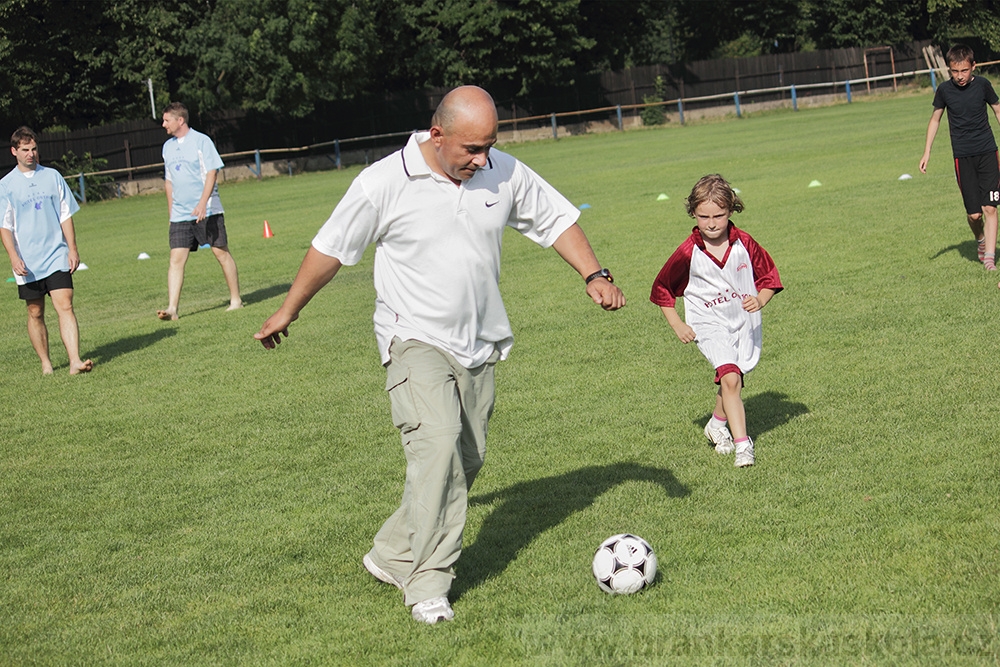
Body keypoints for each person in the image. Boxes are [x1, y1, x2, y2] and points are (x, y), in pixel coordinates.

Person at [254, 85, 625, 624]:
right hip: (411, 339)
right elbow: (331, 248)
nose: (483, 159)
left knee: (466, 459)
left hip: (479, 342)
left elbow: (555, 220)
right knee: (439, 445)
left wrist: (594, 273)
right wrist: (288, 310)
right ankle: (429, 584)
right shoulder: (384, 181)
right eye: (471, 149)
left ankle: (390, 554)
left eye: (489, 146)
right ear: (436, 135)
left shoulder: (502, 171)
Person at [650, 174, 782, 468]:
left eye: (718, 216)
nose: (711, 223)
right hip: (707, 322)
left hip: (744, 321)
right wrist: (677, 324)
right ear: (693, 213)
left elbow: (769, 278)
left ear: (731, 210)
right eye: (703, 216)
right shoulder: (688, 252)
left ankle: (716, 424)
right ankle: (743, 446)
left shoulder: (744, 243)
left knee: (733, 379)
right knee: (730, 377)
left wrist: (760, 300)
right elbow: (662, 289)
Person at [0, 126, 93, 375]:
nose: (30, 154)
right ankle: (46, 363)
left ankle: (75, 361)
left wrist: (72, 249)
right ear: (14, 151)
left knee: (65, 305)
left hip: (56, 255)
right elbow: (5, 226)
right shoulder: (6, 186)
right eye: (25, 150)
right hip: (27, 261)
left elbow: (65, 215)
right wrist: (13, 257)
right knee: (35, 311)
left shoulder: (53, 176)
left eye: (33, 149)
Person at [918, 44, 1000, 273]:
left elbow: (997, 110)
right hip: (962, 157)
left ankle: (990, 258)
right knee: (974, 215)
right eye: (955, 71)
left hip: (987, 152)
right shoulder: (944, 90)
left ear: (973, 66)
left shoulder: (983, 85)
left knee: (990, 208)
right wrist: (927, 151)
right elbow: (935, 120)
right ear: (949, 69)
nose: (960, 76)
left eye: (964, 70)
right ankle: (980, 239)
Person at [157, 102, 242, 320]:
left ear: (180, 120)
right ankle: (172, 309)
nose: (163, 124)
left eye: (166, 120)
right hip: (180, 214)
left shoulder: (201, 141)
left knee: (220, 253)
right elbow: (169, 182)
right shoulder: (167, 147)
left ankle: (236, 300)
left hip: (208, 210)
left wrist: (203, 203)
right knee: (176, 259)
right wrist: (171, 214)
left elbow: (212, 173)